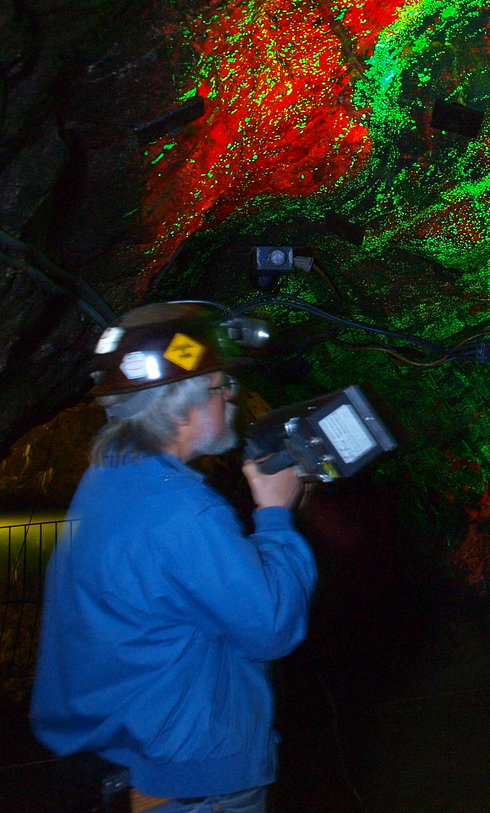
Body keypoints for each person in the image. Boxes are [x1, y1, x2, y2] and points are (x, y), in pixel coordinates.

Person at [31, 303, 316, 813]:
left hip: (122, 764)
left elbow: (179, 590)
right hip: (187, 785)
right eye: (220, 386)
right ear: (181, 403)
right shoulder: (181, 509)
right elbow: (271, 627)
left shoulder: (110, 481)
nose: (231, 400)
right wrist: (274, 514)